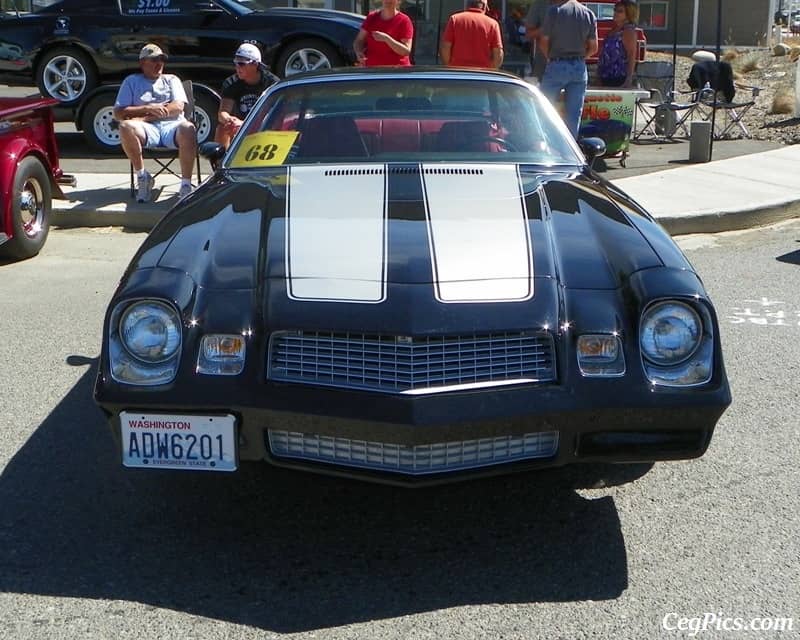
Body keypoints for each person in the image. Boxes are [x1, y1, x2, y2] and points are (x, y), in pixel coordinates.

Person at [114, 43, 197, 203]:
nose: (159, 63)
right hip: (146, 130)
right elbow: (118, 113)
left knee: (188, 128)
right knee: (125, 126)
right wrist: (147, 108)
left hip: (172, 126)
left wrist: (144, 117)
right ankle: (143, 177)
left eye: (161, 59)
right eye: (154, 60)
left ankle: (186, 185)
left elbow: (178, 107)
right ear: (142, 63)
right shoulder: (131, 81)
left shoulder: (172, 79)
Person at [538, 0, 598, 138]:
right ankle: (570, 149)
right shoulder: (588, 14)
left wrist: (550, 57)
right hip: (579, 67)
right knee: (574, 113)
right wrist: (582, 57)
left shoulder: (554, 11)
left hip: (557, 63)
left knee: (543, 107)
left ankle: (545, 143)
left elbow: (543, 41)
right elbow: (594, 47)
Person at [215, 43, 278, 149]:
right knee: (222, 128)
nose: (237, 67)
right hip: (237, 126)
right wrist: (229, 120)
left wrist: (245, 124)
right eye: (236, 63)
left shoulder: (272, 83)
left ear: (255, 64)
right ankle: (221, 162)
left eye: (242, 64)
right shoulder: (231, 83)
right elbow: (223, 112)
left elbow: (274, 114)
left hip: (264, 125)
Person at [440, 0, 504, 69]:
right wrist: (489, 70)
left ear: (468, 5)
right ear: (484, 7)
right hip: (482, 75)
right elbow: (498, 54)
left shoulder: (455, 19)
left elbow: (445, 48)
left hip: (457, 73)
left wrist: (450, 66)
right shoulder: (493, 24)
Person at [353, 0, 414, 67]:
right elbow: (359, 40)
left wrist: (387, 39)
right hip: (372, 71)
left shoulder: (404, 20)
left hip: (397, 71)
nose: (388, 1)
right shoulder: (372, 17)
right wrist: (358, 52)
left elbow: (406, 51)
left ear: (398, 1)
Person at [597, 0, 639, 88]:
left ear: (628, 14)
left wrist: (628, 79)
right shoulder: (614, 29)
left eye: (620, 11)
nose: (615, 13)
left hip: (619, 78)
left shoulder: (628, 31)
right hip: (606, 77)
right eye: (615, 10)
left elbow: (631, 55)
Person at [525, 0, 557, 83]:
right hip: (544, 65)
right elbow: (529, 33)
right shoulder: (540, 4)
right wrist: (546, 29)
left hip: (572, 65)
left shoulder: (576, 7)